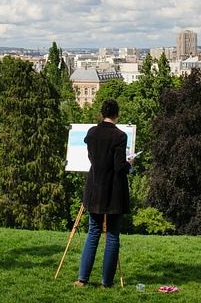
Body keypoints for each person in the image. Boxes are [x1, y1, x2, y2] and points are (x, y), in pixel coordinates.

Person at [75, 99, 134, 288]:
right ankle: (106, 282)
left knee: (93, 232)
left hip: (94, 187)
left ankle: (82, 279)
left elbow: (93, 158)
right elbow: (119, 167)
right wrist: (129, 165)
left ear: (101, 113)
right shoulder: (120, 136)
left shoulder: (92, 133)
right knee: (112, 236)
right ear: (117, 114)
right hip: (113, 190)